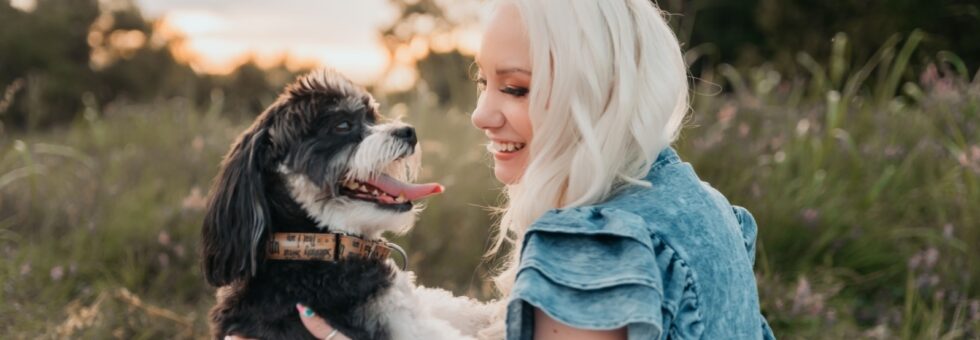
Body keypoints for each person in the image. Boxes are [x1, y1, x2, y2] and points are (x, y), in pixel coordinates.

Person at [236, 0, 775, 339]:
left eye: (516, 88)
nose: (480, 114)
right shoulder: (699, 204)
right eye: (483, 82)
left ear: (595, 96)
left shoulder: (589, 248)